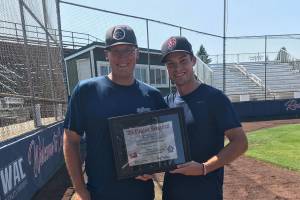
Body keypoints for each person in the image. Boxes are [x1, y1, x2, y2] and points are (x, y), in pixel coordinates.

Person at [63, 25, 167, 200]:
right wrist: (80, 190)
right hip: (99, 193)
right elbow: (70, 140)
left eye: (128, 50)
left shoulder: (152, 96)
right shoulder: (86, 91)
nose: (122, 57)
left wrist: (155, 167)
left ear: (137, 53)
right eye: (115, 51)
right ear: (106, 54)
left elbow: (166, 143)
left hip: (141, 194)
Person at [160, 36, 248, 200]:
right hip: (171, 193)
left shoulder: (214, 98)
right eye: (170, 64)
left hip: (206, 193)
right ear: (166, 68)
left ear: (193, 61)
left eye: (183, 60)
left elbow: (240, 142)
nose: (177, 68)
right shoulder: (166, 103)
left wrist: (203, 168)